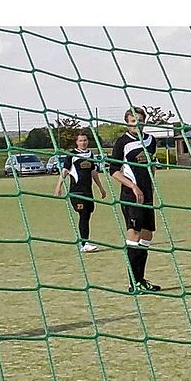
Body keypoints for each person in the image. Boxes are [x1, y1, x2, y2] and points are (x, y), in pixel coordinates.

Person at [110, 107, 161, 293]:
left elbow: (151, 165)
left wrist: (151, 185)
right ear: (127, 123)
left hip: (147, 195)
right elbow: (113, 170)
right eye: (133, 121)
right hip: (131, 196)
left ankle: (140, 279)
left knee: (147, 235)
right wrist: (133, 186)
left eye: (140, 121)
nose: (137, 125)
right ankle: (133, 282)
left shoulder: (151, 141)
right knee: (135, 234)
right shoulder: (122, 142)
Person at [54, 132, 108, 252]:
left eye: (85, 140)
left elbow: (93, 172)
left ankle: (85, 241)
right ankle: (84, 244)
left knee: (87, 216)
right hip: (76, 192)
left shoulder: (90, 155)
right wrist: (58, 187)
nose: (83, 142)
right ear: (76, 142)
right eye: (81, 141)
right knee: (83, 215)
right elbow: (64, 172)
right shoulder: (71, 155)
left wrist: (101, 188)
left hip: (88, 192)